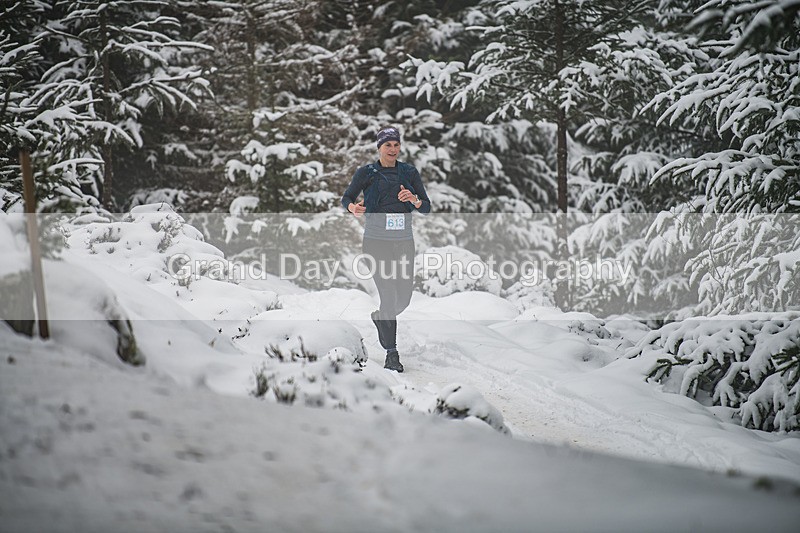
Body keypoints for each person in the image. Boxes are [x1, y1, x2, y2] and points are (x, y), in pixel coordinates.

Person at [341, 126, 431, 372]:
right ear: (379, 147)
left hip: (403, 242)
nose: (392, 149)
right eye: (387, 145)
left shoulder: (409, 173)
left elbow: (426, 207)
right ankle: (392, 353)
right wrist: (353, 208)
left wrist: (413, 199)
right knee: (388, 294)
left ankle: (382, 317)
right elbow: (346, 198)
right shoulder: (366, 172)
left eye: (396, 144)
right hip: (375, 242)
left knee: (403, 298)